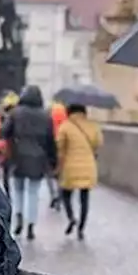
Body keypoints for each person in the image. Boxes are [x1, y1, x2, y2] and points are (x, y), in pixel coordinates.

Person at [1, 85, 57, 240]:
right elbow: (51, 140)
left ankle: (18, 216)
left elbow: (4, 132)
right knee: (33, 192)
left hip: (17, 157)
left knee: (18, 190)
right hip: (38, 159)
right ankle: (31, 224)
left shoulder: (15, 113)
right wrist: (53, 160)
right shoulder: (46, 116)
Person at [55, 103, 102, 240]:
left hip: (70, 166)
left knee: (66, 194)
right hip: (88, 165)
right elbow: (99, 142)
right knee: (84, 197)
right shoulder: (92, 125)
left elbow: (60, 146)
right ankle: (81, 227)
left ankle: (71, 218)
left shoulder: (66, 126)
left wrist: (59, 166)